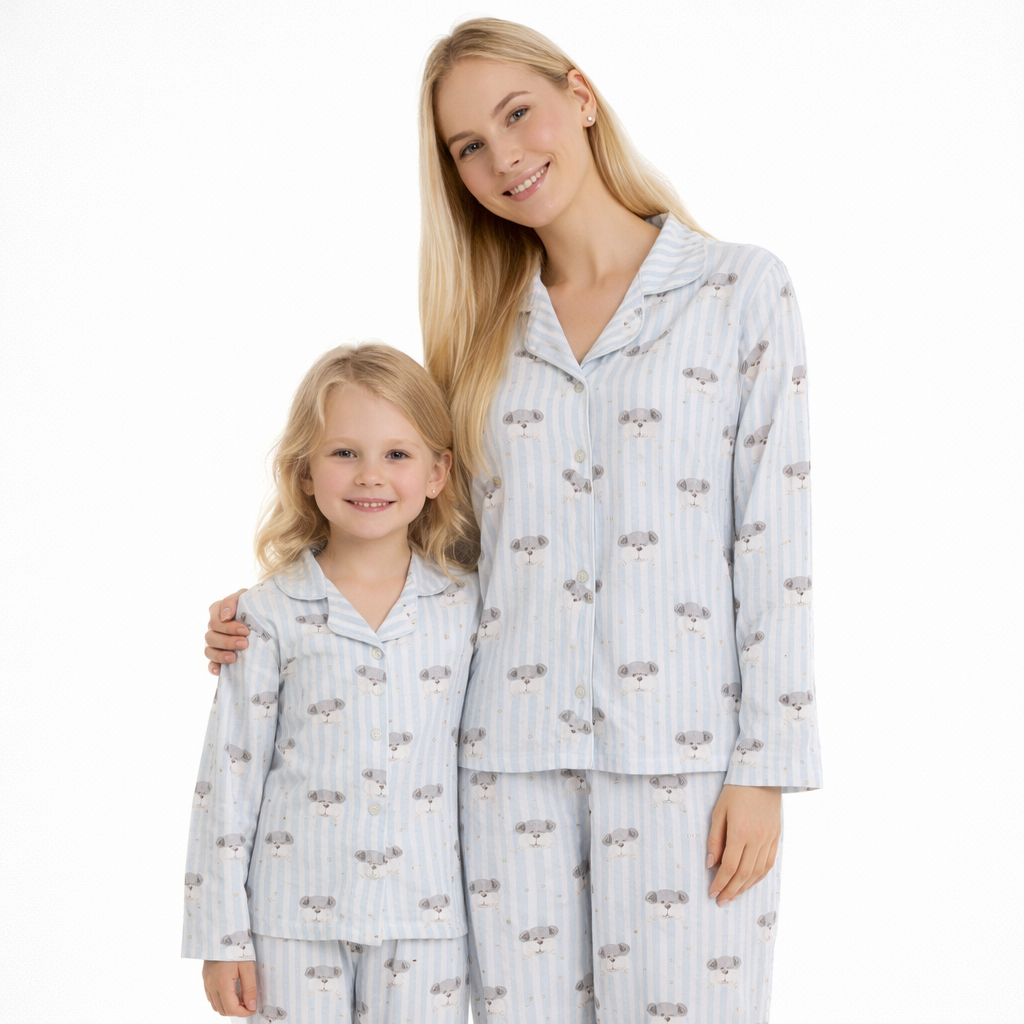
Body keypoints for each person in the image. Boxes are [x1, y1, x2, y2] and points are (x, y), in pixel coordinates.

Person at [204, 18, 822, 1023]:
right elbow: (436, 541)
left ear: (580, 95)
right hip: (500, 769)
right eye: (468, 146)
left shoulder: (738, 289)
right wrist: (281, 610)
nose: (503, 158)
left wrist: (768, 769)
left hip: (685, 760)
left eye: (517, 113)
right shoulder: (478, 332)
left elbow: (775, 539)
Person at [184, 343, 480, 1022]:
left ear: (438, 472)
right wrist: (221, 938)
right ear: (305, 472)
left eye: (397, 454)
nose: (370, 474)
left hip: (428, 921)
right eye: (344, 452)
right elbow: (228, 780)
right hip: (291, 922)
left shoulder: (469, 609)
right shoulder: (266, 615)